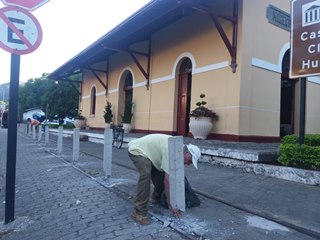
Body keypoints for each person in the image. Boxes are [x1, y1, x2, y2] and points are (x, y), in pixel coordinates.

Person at [128, 134, 201, 225]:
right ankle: (139, 212)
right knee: (146, 175)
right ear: (186, 153)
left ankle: (156, 197)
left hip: (152, 155)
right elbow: (167, 181)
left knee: (160, 178)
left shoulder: (178, 149)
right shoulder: (171, 150)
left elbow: (171, 178)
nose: (188, 164)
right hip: (138, 150)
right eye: (189, 161)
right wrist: (170, 204)